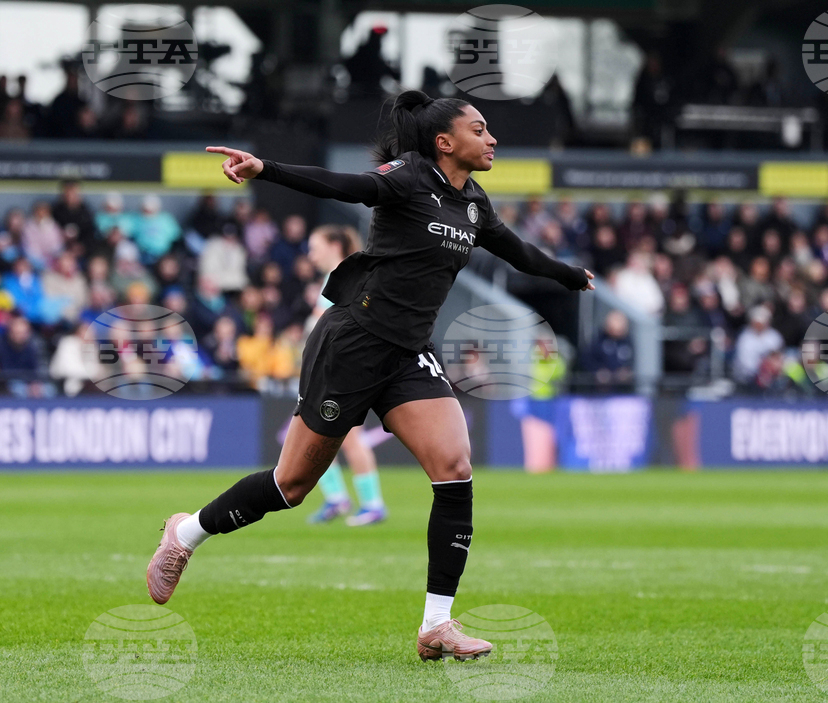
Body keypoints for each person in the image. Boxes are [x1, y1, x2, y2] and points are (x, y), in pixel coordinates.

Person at [145, 90, 595, 662]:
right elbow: (344, 186)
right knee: (292, 486)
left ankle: (437, 624)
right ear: (444, 142)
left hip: (408, 353)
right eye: (480, 130)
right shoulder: (408, 177)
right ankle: (184, 535)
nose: (492, 139)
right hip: (354, 342)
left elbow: (518, 251)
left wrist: (569, 276)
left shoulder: (473, 203)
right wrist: (266, 169)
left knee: (455, 468)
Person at [304, 224, 388, 526]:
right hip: (328, 371)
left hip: (340, 372)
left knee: (346, 438)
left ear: (333, 245)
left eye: (315, 247)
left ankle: (369, 503)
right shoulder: (336, 278)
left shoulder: (345, 278)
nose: (310, 255)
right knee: (314, 437)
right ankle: (340, 499)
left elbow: (332, 326)